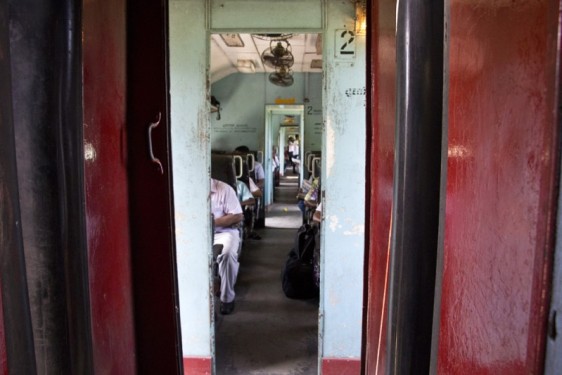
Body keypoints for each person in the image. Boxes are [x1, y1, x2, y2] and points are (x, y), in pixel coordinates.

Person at [211, 178, 243, 315]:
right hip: (196, 232)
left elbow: (237, 216)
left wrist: (211, 222)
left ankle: (227, 298)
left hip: (224, 232)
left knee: (227, 254)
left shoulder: (224, 189)